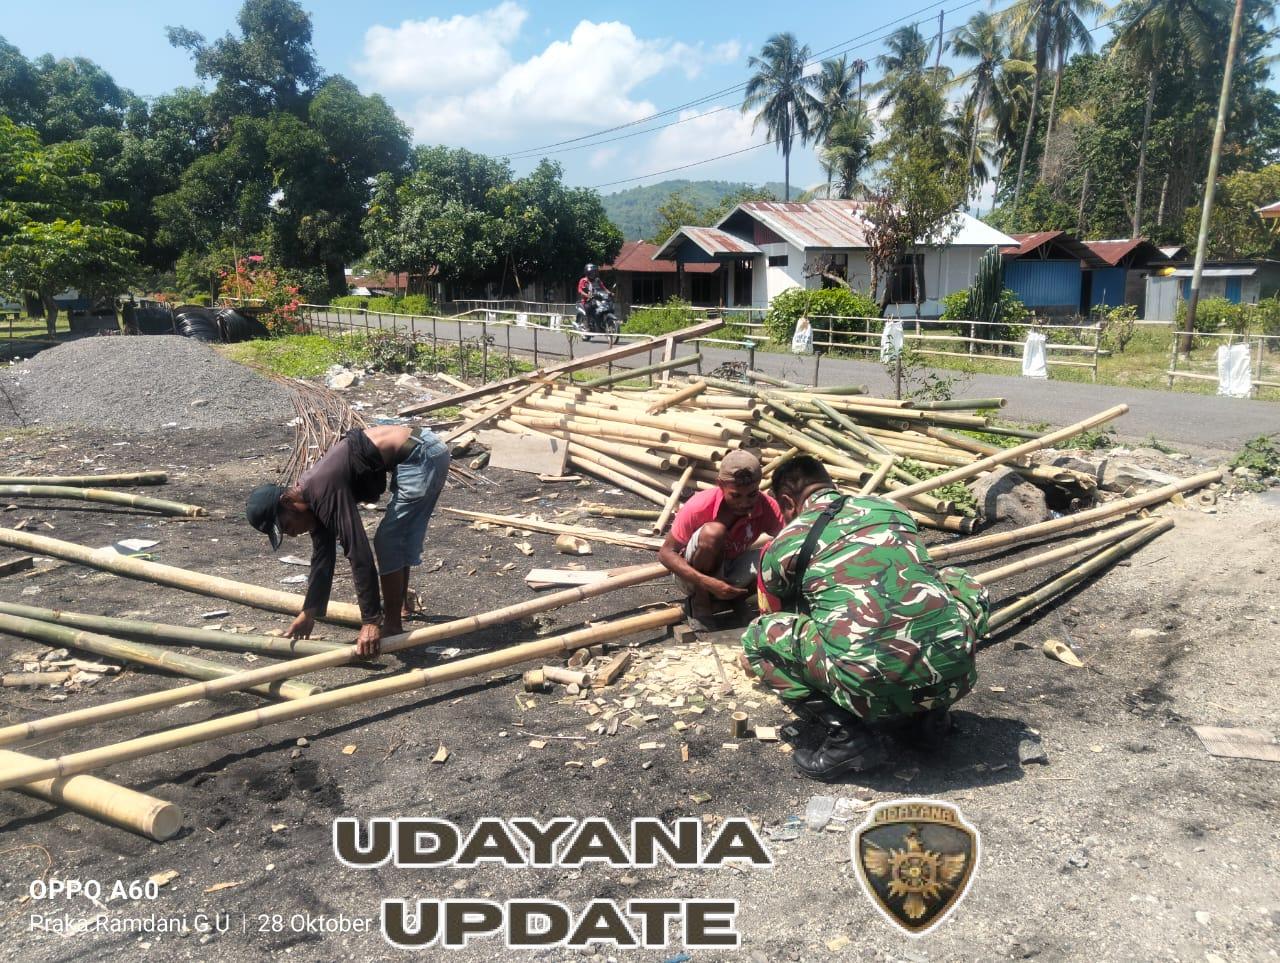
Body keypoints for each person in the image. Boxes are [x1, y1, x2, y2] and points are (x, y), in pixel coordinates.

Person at [741, 455, 988, 782]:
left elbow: (779, 608)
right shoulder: (892, 509)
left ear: (787, 502)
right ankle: (927, 721)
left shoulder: (786, 542)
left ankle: (848, 738)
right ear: (830, 484)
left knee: (759, 638)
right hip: (957, 676)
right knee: (958, 580)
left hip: (869, 686)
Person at [246, 425, 450, 657]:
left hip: (422, 454)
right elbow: (322, 557)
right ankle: (398, 610)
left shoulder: (322, 489)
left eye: (285, 526)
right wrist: (309, 612)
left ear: (287, 502)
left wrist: (370, 620)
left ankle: (391, 625)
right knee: (396, 537)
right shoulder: (311, 498)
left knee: (389, 540)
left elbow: (358, 551)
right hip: (418, 451)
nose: (291, 534)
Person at [658, 450, 785, 628]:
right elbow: (665, 553)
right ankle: (700, 602)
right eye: (736, 495)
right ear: (720, 485)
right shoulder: (699, 506)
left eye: (752, 494)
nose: (745, 503)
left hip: (732, 569)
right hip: (692, 578)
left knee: (779, 554)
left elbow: (791, 538)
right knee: (713, 533)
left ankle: (737, 597)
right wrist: (707, 582)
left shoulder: (766, 506)